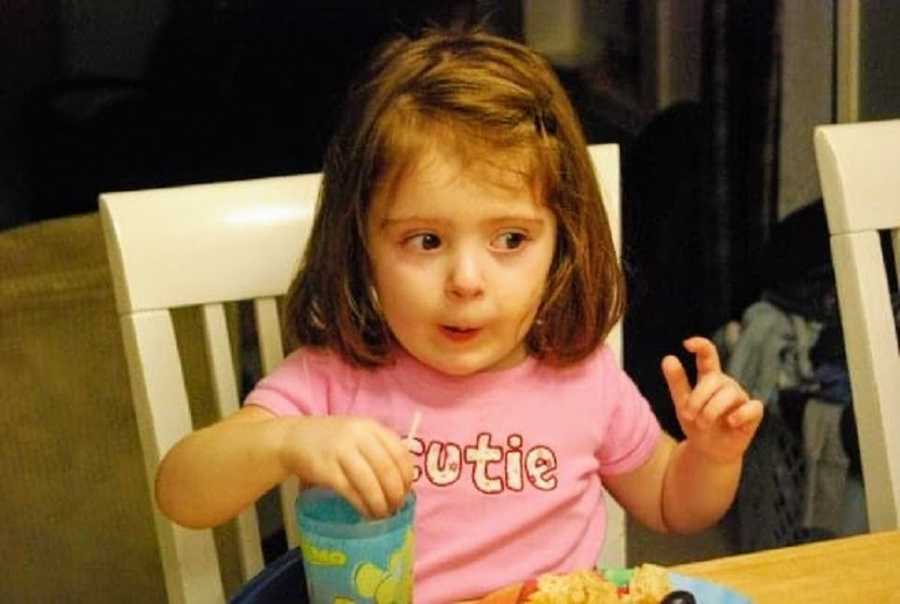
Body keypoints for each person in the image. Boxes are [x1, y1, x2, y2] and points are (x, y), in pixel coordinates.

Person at [155, 28, 764, 603]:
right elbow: (182, 490)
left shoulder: (584, 377)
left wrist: (710, 456)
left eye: (510, 240)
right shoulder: (331, 379)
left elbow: (669, 504)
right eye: (425, 241)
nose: (466, 282)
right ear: (362, 245)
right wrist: (287, 442)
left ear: (562, 243)